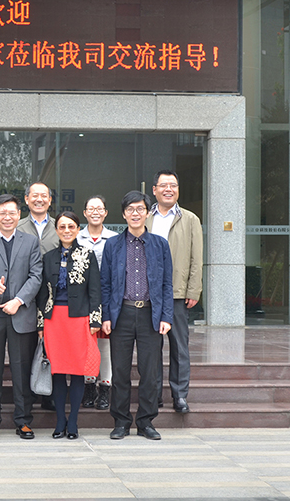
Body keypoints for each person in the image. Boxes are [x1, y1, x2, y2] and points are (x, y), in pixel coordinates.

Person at [101, 191, 172, 441]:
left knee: (150, 372)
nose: (135, 213)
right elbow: (105, 284)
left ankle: (145, 422)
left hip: (150, 314)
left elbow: (167, 284)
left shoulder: (160, 245)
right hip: (121, 313)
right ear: (123, 214)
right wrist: (106, 316)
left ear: (147, 213)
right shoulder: (112, 245)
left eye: (140, 209)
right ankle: (121, 422)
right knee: (120, 371)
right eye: (130, 209)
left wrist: (166, 316)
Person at [0, 194, 42, 440]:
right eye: (2, 213)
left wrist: (18, 300)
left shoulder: (31, 241)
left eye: (12, 212)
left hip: (20, 313)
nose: (7, 217)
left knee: (21, 370)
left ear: (18, 215)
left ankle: (23, 421)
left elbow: (36, 275)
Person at [36, 211, 101, 439]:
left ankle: (73, 421)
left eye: (71, 226)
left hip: (79, 319)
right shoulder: (48, 257)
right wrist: (41, 323)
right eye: (62, 227)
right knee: (57, 371)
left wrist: (95, 319)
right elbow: (42, 293)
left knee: (77, 371)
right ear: (56, 230)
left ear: (77, 229)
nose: (66, 231)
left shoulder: (88, 254)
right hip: (53, 320)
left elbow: (95, 289)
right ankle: (60, 421)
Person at [145, 170, 203, 414]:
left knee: (179, 346)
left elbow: (196, 257)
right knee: (151, 347)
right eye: (164, 185)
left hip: (177, 293)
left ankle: (179, 395)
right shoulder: (145, 217)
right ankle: (154, 394)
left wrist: (194, 289)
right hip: (148, 293)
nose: (169, 189)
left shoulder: (189, 219)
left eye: (173, 185)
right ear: (154, 190)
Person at [17, 182, 59, 411]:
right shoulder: (18, 226)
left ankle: (48, 393)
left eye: (44, 195)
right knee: (26, 347)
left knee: (51, 345)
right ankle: (29, 392)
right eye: (35, 195)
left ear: (50, 200)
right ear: (27, 199)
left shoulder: (59, 226)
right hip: (24, 295)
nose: (39, 199)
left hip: (53, 297)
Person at [76, 195, 117, 410]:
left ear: (106, 213)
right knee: (86, 343)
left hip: (107, 298)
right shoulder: (76, 237)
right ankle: (89, 386)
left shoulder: (114, 239)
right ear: (84, 213)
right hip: (83, 299)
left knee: (105, 344)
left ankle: (105, 387)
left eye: (99, 208)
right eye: (91, 208)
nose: (95, 212)